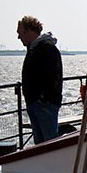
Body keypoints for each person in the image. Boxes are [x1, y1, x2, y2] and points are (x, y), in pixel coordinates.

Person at [17, 15, 63, 144]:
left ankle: (53, 163)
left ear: (29, 31)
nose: (19, 37)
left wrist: (43, 99)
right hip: (35, 103)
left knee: (49, 142)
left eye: (20, 33)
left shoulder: (46, 48)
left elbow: (53, 76)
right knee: (40, 143)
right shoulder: (34, 48)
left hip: (43, 104)